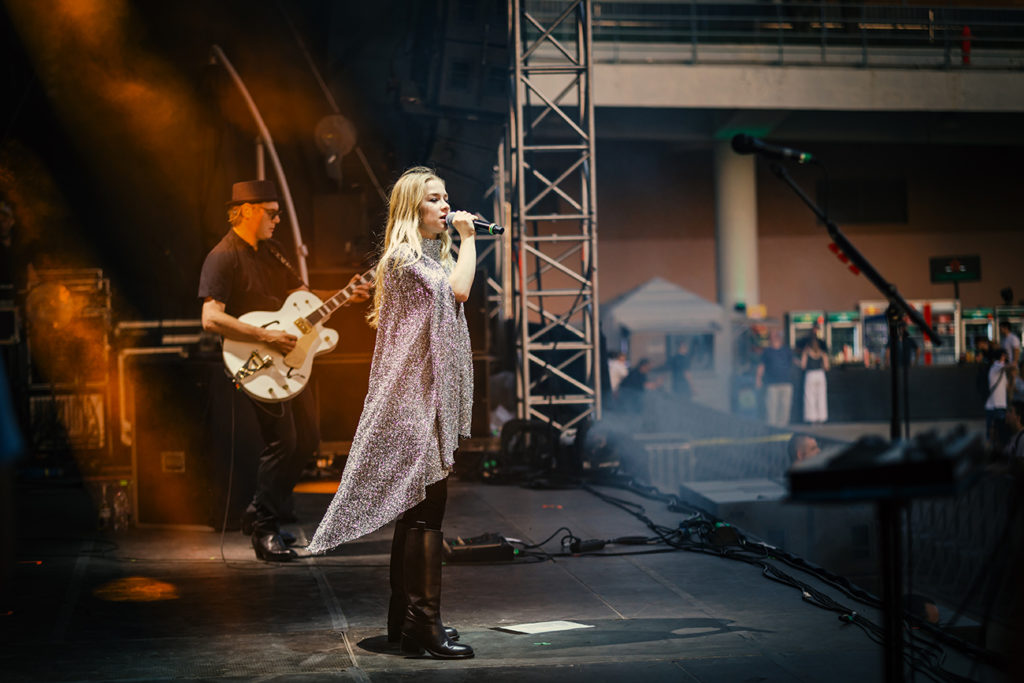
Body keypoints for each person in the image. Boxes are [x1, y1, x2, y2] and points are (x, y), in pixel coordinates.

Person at [306, 167, 476, 660]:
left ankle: (406, 622)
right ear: (411, 209)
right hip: (412, 403)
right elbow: (460, 292)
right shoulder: (404, 259)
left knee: (417, 512)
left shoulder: (427, 258)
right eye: (435, 199)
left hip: (425, 398)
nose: (446, 206)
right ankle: (424, 625)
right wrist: (469, 240)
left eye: (447, 197)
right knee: (427, 514)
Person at [199, 179, 371, 562]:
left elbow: (302, 302)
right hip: (256, 361)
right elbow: (211, 318)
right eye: (271, 213)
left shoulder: (272, 252)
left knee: (307, 440)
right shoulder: (223, 256)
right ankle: (263, 529)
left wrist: (344, 293)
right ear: (246, 210)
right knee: (284, 442)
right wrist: (266, 336)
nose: (278, 220)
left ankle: (260, 512)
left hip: (290, 359)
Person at [757, 330, 795, 427]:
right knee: (771, 408)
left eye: (774, 336)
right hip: (772, 384)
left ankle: (783, 427)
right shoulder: (767, 351)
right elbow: (761, 366)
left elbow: (793, 362)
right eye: (771, 337)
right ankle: (772, 427)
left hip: (786, 383)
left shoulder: (786, 350)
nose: (772, 339)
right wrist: (758, 379)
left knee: (785, 407)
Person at [985, 349, 1010, 449]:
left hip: (996, 405)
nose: (1007, 357)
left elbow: (1007, 386)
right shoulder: (996, 366)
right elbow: (1010, 366)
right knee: (997, 433)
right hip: (996, 405)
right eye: (1006, 356)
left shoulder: (999, 369)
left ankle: (993, 451)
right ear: (1002, 356)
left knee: (993, 433)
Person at [801, 336, 829, 423]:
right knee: (821, 397)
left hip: (810, 375)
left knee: (810, 397)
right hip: (820, 375)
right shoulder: (822, 353)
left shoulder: (806, 353)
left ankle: (811, 418)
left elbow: (803, 366)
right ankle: (822, 418)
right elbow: (827, 367)